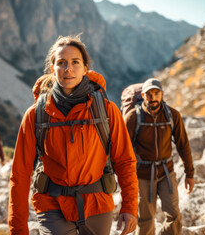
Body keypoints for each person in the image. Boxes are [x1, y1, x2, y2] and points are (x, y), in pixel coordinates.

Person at [8, 35, 139, 235]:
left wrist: (129, 207)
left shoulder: (107, 110)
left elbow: (124, 161)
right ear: (52, 69)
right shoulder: (36, 114)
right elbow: (20, 173)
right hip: (52, 204)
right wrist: (18, 228)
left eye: (75, 62)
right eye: (61, 63)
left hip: (97, 204)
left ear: (86, 68)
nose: (68, 68)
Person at [124, 78, 195, 235]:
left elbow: (183, 145)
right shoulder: (132, 117)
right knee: (145, 219)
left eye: (156, 93)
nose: (153, 97)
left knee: (174, 216)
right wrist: (124, 179)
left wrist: (190, 173)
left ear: (162, 94)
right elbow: (122, 150)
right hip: (142, 175)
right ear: (143, 95)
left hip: (166, 173)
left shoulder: (172, 115)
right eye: (149, 94)